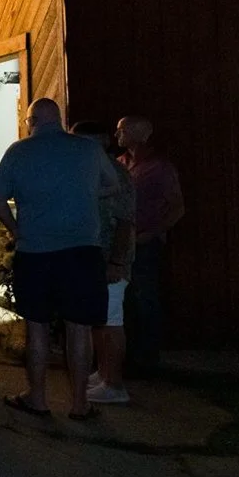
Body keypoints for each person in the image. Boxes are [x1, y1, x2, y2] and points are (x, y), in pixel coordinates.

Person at [0, 98, 123, 421]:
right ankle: (80, 404)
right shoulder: (88, 150)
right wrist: (86, 195)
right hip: (82, 251)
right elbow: (113, 185)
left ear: (31, 120)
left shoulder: (17, 152)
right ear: (60, 119)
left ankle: (37, 399)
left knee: (36, 327)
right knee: (78, 328)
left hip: (35, 251)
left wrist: (16, 229)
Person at [72, 121, 137, 405]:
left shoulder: (114, 174)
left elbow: (125, 222)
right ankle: (102, 373)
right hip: (97, 256)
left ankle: (114, 383)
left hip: (111, 259)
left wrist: (116, 261)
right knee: (99, 320)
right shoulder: (93, 171)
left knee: (111, 321)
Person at [116, 115, 184, 373]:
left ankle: (147, 358)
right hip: (122, 242)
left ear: (139, 134)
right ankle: (127, 355)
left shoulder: (160, 168)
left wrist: (152, 233)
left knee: (146, 298)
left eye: (122, 130)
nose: (117, 136)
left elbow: (177, 206)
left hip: (145, 243)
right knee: (124, 300)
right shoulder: (120, 165)